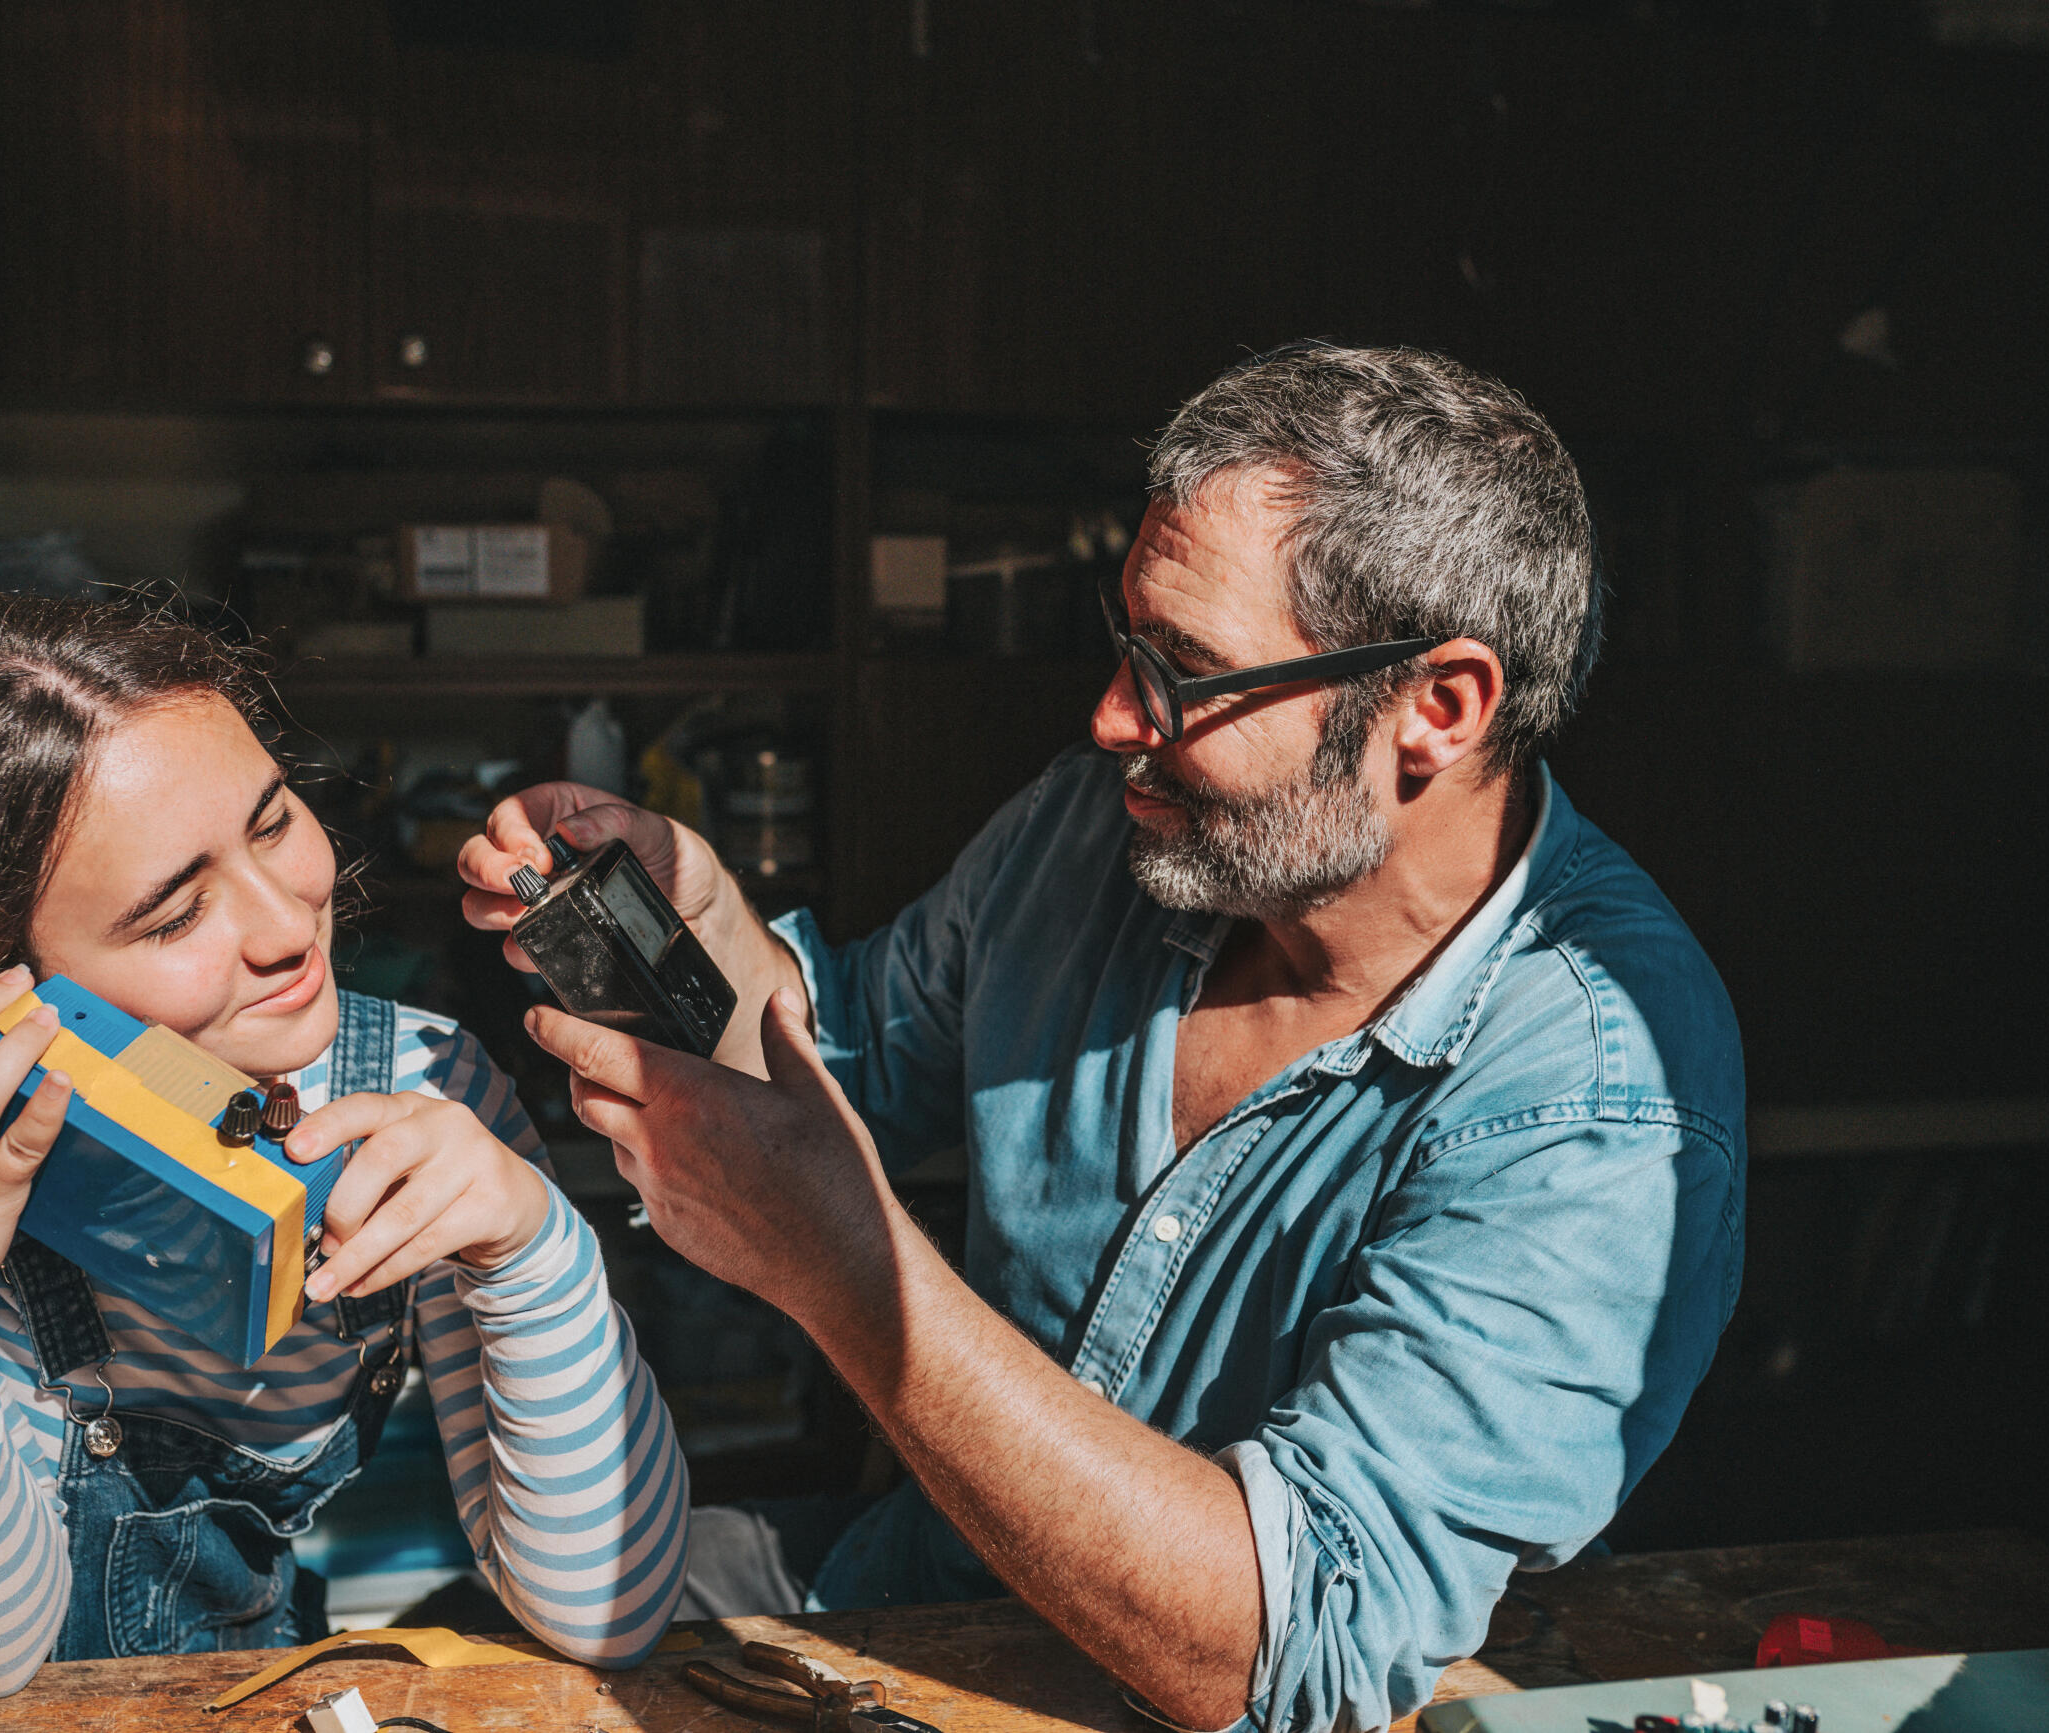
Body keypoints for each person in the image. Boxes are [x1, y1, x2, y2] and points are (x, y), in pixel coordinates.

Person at [466, 346, 1745, 1733]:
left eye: (1187, 672)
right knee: (465, 1658)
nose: (1113, 718)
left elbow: (1293, 1649)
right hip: (924, 1588)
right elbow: (847, 1070)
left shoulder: (1598, 1095)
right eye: (1128, 641)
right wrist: (690, 912)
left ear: (1436, 708)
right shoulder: (1107, 837)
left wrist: (851, 1274)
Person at [0, 597, 687, 1696]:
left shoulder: (421, 1087)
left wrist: (534, 1250)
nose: (287, 924)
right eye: (173, 915)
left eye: (274, 822)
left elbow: (611, 1610)